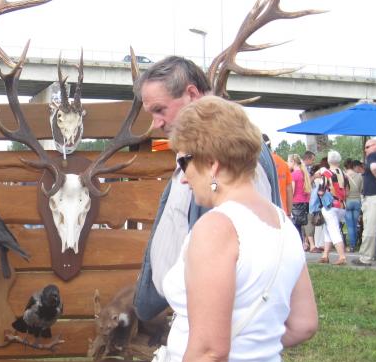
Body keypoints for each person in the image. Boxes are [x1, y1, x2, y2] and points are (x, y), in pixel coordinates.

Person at [158, 96, 318, 362]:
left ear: (212, 164)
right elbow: (304, 324)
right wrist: (253, 347)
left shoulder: (217, 229)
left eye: (183, 162)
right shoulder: (281, 223)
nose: (182, 178)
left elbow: (211, 351)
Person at [132, 56, 281, 321]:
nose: (156, 123)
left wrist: (208, 323)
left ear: (191, 94)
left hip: (213, 320)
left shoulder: (234, 151)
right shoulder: (204, 147)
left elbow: (249, 258)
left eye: (160, 110)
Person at [354, 138, 376, 266]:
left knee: (370, 228)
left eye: (368, 147)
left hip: (374, 197)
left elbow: (374, 168)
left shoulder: (373, 156)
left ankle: (365, 258)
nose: (365, 150)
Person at [310, 153, 347, 265]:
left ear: (329, 161)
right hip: (342, 205)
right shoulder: (344, 174)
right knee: (328, 230)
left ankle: (342, 256)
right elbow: (347, 191)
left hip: (330, 206)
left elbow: (321, 191)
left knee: (333, 230)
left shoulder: (326, 174)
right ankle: (325, 255)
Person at [264, 135, 293, 215]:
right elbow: (289, 189)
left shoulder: (258, 164)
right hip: (282, 212)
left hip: (266, 213)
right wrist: (289, 213)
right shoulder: (283, 163)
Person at [288, 153, 311, 245]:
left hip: (296, 204)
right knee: (300, 228)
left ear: (293, 162)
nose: (288, 164)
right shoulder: (304, 174)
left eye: (289, 161)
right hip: (304, 203)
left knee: (295, 228)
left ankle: (297, 246)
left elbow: (292, 191)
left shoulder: (293, 175)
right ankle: (301, 245)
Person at [344, 159, 364, 252]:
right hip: (357, 201)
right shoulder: (359, 176)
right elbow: (361, 189)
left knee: (350, 225)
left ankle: (352, 245)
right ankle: (355, 243)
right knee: (355, 224)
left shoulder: (344, 175)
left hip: (348, 201)